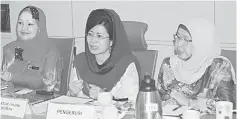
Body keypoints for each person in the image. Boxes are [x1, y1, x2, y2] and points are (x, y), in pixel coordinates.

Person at [157, 18, 236, 114]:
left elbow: (226, 107)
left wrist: (189, 102)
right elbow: (158, 100)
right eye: (178, 37)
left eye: (186, 39)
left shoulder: (219, 66)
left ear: (202, 42)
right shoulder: (169, 64)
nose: (179, 44)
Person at [68, 9, 140, 105]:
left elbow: (132, 103)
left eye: (99, 36)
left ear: (112, 41)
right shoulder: (80, 62)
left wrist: (104, 96)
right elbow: (68, 104)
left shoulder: (126, 64)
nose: (93, 41)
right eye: (90, 34)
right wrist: (71, 93)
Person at [1, 6, 62, 92]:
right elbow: (4, 84)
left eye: (30, 24)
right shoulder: (11, 49)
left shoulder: (49, 50)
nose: (23, 28)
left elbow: (48, 83)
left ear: (39, 27)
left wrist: (13, 77)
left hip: (41, 99)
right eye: (20, 23)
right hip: (13, 101)